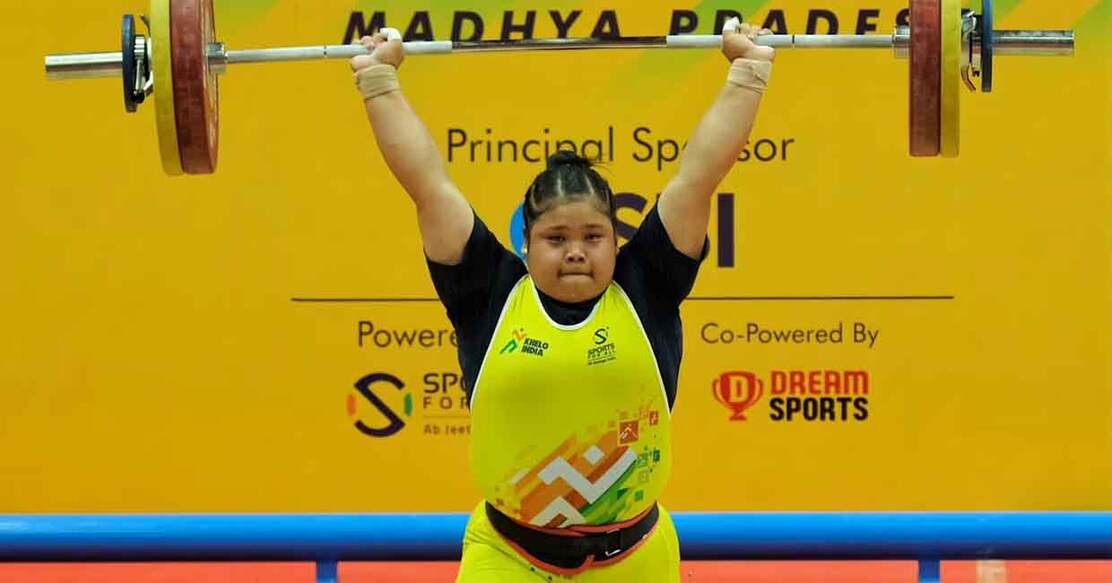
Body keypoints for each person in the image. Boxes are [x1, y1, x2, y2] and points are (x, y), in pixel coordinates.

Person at [350, 19, 774, 582]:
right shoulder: (487, 291)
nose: (576, 253)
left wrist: (748, 71)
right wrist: (379, 80)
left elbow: (699, 175)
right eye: (557, 239)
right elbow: (427, 183)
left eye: (592, 238)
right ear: (526, 242)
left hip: (636, 561)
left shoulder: (647, 283)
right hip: (508, 560)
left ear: (615, 240)